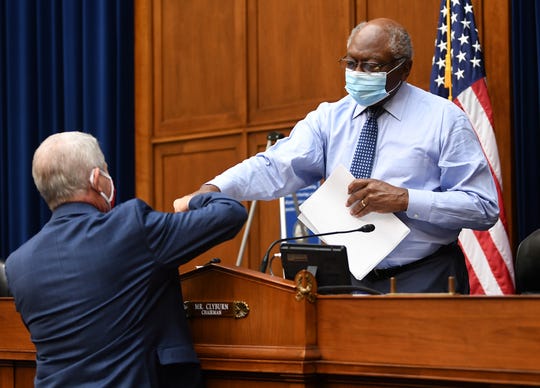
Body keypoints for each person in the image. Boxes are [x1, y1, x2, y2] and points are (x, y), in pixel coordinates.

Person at [179, 18, 499, 294]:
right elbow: (275, 165)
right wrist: (216, 188)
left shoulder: (444, 120)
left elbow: (482, 208)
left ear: (404, 70)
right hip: (341, 279)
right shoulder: (329, 118)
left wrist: (405, 199)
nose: (358, 73)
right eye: (351, 63)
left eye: (372, 66)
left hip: (423, 276)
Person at [5, 131, 247, 387]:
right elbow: (229, 213)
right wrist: (195, 199)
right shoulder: (129, 227)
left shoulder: (18, 264)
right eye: (106, 170)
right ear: (97, 179)